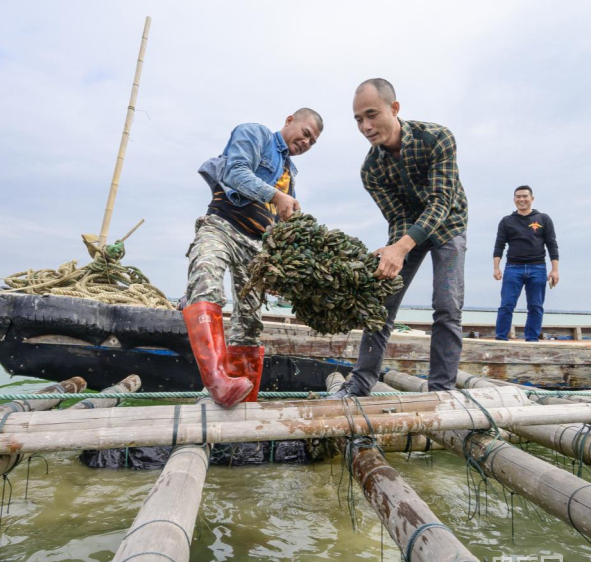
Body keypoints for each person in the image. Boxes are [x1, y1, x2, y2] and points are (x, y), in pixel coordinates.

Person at [329, 78, 468, 398]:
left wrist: (401, 247)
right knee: (382, 301)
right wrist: (395, 251)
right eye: (358, 119)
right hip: (408, 231)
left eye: (372, 114)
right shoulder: (371, 170)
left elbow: (440, 203)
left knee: (447, 306)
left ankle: (441, 391)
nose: (365, 126)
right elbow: (399, 217)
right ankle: (361, 382)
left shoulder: (437, 138)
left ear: (395, 108)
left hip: (449, 224)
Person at [183, 109, 323, 407]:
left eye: (313, 142)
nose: (307, 142)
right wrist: (277, 195)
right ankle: (217, 381)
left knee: (250, 321)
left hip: (257, 247)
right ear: (289, 121)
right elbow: (234, 171)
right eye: (306, 133)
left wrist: (282, 265)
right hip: (221, 226)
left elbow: (282, 222)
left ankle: (244, 395)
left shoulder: (290, 172)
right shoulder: (255, 133)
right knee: (205, 281)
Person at [493, 186, 560, 342]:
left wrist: (554, 270)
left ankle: (532, 339)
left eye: (525, 196)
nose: (521, 199)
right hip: (512, 268)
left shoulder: (543, 219)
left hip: (537, 267)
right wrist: (496, 267)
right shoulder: (506, 221)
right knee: (507, 304)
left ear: (532, 198)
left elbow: (552, 244)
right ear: (514, 199)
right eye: (518, 196)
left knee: (536, 306)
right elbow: (499, 245)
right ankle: (501, 338)